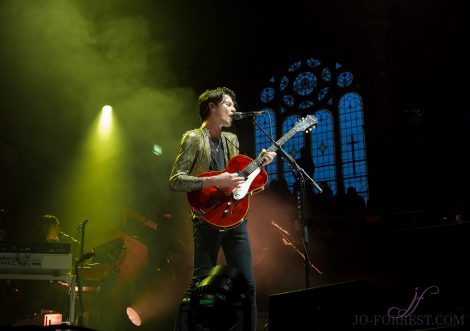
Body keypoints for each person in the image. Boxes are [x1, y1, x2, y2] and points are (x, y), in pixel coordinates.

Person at [169, 87, 276, 330]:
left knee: (247, 285)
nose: (234, 110)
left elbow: (238, 181)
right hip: (206, 219)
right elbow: (176, 180)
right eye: (228, 104)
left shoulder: (232, 140)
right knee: (200, 283)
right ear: (212, 107)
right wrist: (216, 180)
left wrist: (258, 164)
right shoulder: (193, 138)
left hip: (236, 220)